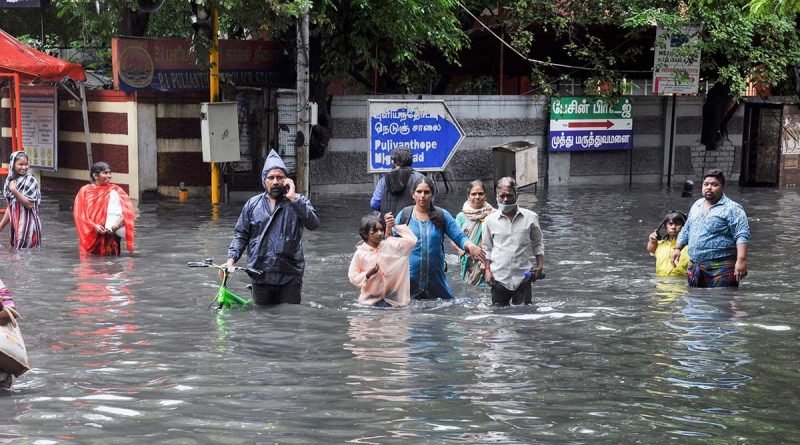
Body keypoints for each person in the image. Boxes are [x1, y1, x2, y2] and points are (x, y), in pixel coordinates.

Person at [225, 150, 320, 305]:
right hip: (260, 274)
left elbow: (314, 223)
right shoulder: (252, 205)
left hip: (290, 274)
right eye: (271, 177)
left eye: (280, 177)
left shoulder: (298, 201)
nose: (275, 181)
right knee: (262, 321)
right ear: (264, 180)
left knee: (289, 319)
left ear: (286, 180)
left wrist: (294, 198)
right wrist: (231, 260)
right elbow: (241, 234)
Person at [395, 176, 485, 300]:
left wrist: (470, 246)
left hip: (436, 281)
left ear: (432, 194)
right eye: (419, 192)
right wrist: (389, 230)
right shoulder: (404, 215)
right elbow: (390, 244)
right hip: (409, 281)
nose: (422, 196)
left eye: (427, 192)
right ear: (413, 194)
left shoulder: (442, 215)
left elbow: (458, 236)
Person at [670, 170, 750, 288]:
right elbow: (687, 228)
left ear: (722, 187)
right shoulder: (697, 205)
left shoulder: (732, 208)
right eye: (706, 184)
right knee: (694, 304)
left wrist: (741, 260)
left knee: (721, 303)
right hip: (695, 266)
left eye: (714, 184)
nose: (709, 187)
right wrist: (677, 249)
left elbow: (741, 235)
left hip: (722, 266)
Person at [483, 177, 544, 306]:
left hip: (523, 278)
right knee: (498, 317)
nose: (505, 199)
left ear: (516, 195)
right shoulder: (489, 220)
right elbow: (487, 248)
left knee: (523, 317)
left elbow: (538, 243)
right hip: (498, 278)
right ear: (497, 196)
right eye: (502, 196)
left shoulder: (531, 217)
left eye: (509, 195)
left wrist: (539, 265)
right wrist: (487, 271)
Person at [348, 213, 417, 307]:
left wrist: (394, 226)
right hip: (370, 302)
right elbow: (353, 277)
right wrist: (368, 274)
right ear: (365, 233)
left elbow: (411, 241)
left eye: (381, 230)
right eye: (375, 231)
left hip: (393, 300)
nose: (380, 233)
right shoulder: (360, 253)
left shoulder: (388, 245)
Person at [73, 162, 136, 256]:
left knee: (113, 266)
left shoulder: (116, 190)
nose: (109, 176)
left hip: (112, 234)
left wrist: (117, 226)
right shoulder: (85, 191)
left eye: (110, 173)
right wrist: (94, 226)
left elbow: (128, 212)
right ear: (95, 175)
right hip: (91, 235)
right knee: (91, 266)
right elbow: (79, 214)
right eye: (105, 173)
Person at [451, 180, 494, 285]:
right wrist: (462, 251)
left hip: (489, 263)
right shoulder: (461, 216)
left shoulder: (494, 215)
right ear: (468, 196)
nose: (477, 197)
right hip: (468, 261)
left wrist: (485, 259)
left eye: (480, 193)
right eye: (473, 194)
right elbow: (454, 238)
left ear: (485, 195)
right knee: (469, 289)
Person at [0, 151, 41, 248]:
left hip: (29, 228)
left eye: (26, 164)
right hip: (16, 227)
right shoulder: (10, 181)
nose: (24, 167)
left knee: (25, 256)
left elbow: (30, 204)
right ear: (13, 165)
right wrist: (1, 226)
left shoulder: (30, 180)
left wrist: (14, 191)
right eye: (20, 164)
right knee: (17, 257)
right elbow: (11, 208)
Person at [370, 148, 424, 218]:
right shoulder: (420, 179)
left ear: (395, 162)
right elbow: (428, 203)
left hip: (388, 224)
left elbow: (374, 204)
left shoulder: (384, 180)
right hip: (411, 225)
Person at [647, 211, 690, 277]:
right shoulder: (659, 245)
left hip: (681, 284)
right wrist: (652, 241)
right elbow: (650, 249)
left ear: (684, 227)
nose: (673, 227)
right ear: (665, 226)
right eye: (670, 224)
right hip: (660, 284)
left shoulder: (690, 246)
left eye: (678, 224)